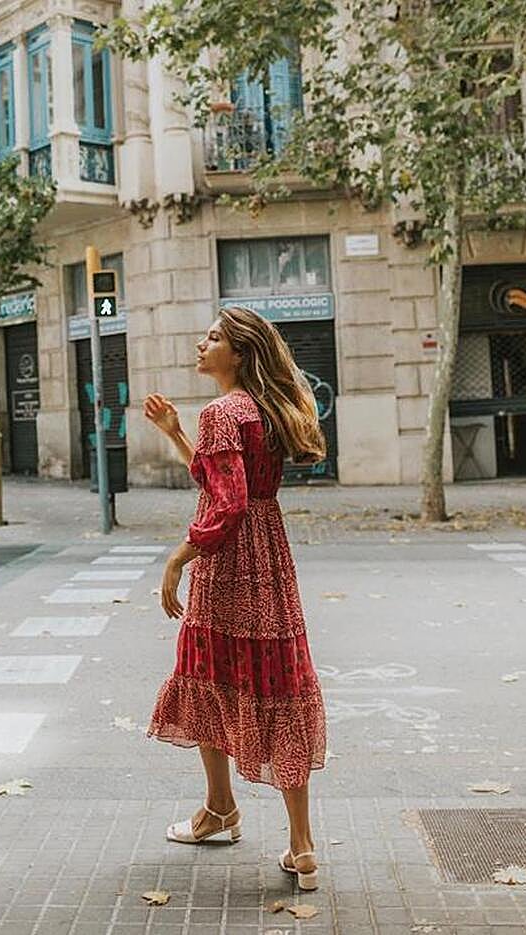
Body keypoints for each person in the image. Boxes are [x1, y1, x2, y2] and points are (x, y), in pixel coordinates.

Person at [143, 305, 327, 891]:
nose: (202, 345)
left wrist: (178, 557)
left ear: (241, 353)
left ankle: (221, 808)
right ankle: (298, 843)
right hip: (269, 556)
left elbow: (226, 506)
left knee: (208, 674)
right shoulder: (264, 407)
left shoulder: (223, 412)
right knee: (278, 684)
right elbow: (225, 483)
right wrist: (176, 433)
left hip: (228, 563)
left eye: (214, 338)